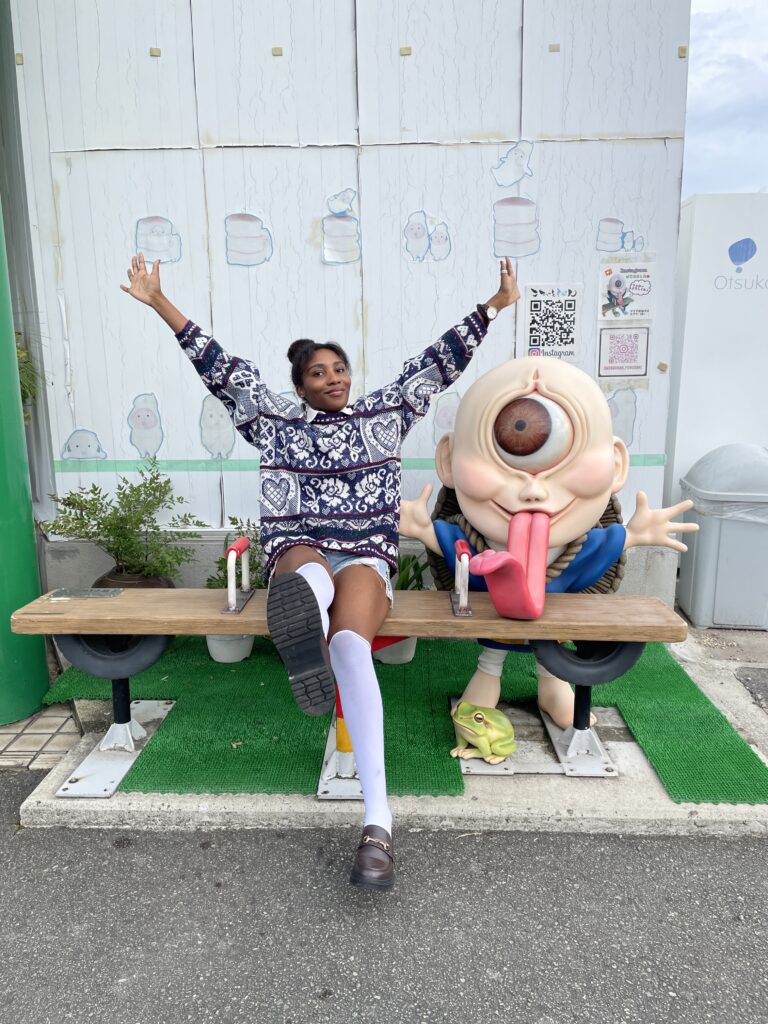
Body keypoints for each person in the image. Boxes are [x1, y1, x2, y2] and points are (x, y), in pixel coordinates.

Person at [121, 251, 520, 891]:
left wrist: (492, 307)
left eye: (339, 369)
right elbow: (221, 370)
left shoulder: (384, 414)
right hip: (299, 546)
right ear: (299, 385)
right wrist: (160, 302)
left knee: (352, 647)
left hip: (365, 552)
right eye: (318, 372)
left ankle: (377, 821)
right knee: (306, 575)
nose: (333, 379)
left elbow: (436, 364)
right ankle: (302, 614)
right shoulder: (274, 422)